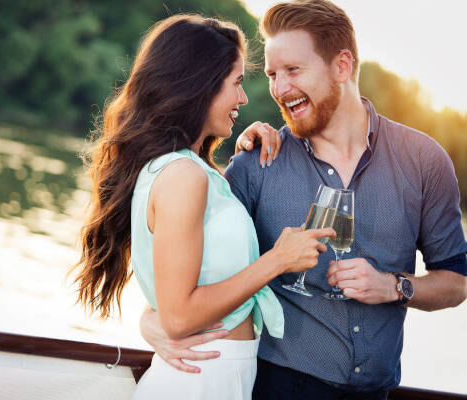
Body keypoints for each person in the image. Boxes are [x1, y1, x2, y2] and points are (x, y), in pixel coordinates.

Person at [139, 1, 467, 399]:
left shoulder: (425, 161)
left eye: (293, 71)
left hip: (375, 392)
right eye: (274, 75)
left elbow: (456, 283)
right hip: (275, 386)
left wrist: (394, 287)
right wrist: (150, 319)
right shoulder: (255, 163)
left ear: (342, 66)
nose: (278, 89)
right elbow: (180, 260)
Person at [72, 14, 335, 399]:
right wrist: (277, 260)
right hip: (201, 380)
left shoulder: (188, 171)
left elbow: (189, 276)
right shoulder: (183, 177)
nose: (244, 98)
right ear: (202, 86)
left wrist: (239, 152)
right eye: (237, 83)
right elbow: (178, 318)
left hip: (216, 376)